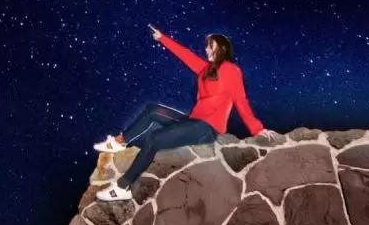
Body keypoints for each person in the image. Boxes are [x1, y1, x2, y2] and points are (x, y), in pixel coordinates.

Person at [93, 24, 282, 201]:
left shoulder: (232, 70)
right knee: (152, 110)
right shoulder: (206, 69)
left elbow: (241, 101)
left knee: (154, 138)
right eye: (207, 46)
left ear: (222, 49)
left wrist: (257, 129)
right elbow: (185, 55)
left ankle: (122, 187)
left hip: (206, 129)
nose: (206, 50)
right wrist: (162, 38)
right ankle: (121, 141)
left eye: (210, 46)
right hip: (192, 122)